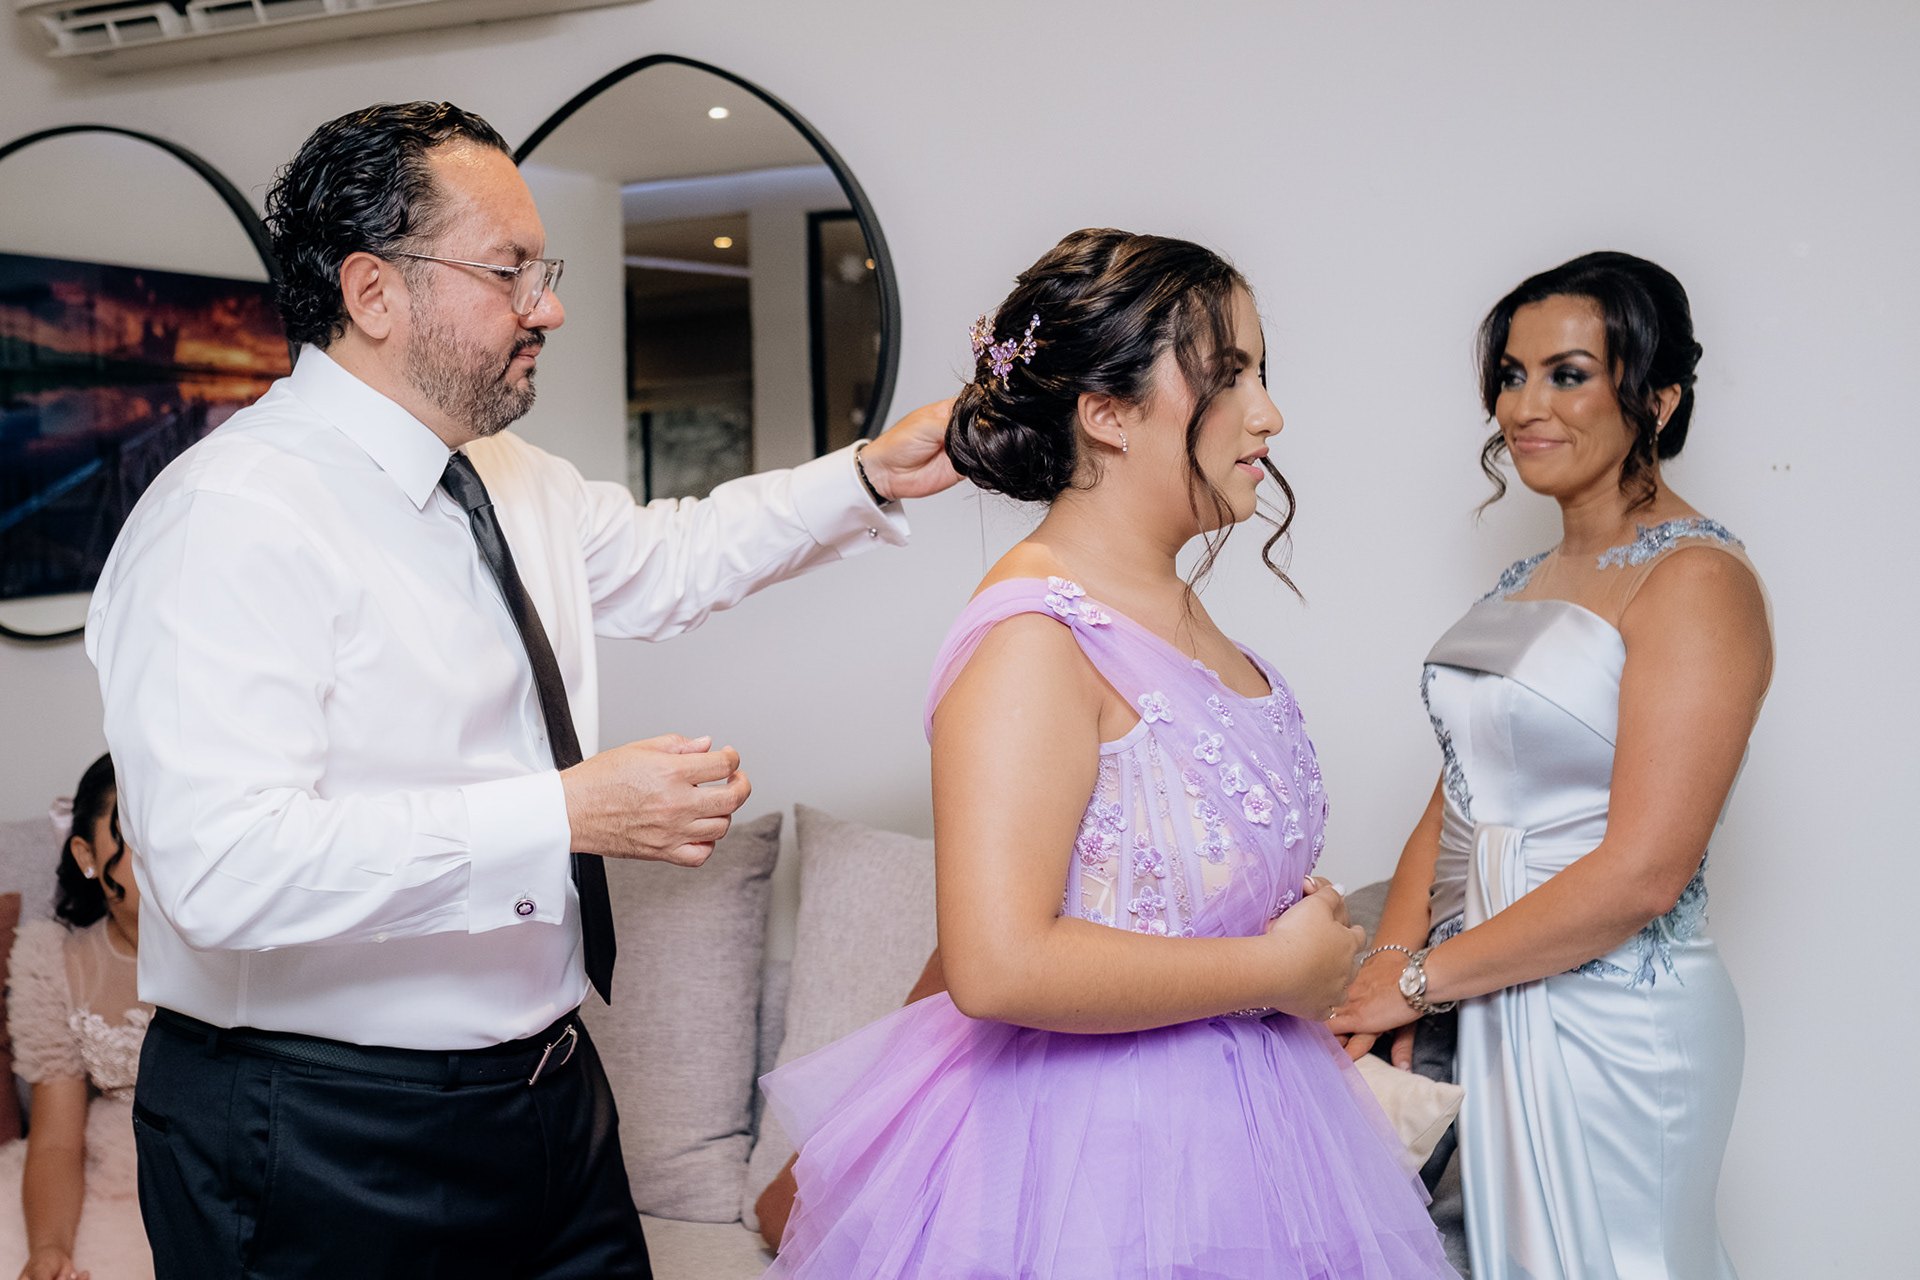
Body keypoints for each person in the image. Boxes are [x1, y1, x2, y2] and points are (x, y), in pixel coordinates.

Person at [84, 101, 956, 1279]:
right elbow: (221, 870)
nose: (548, 307)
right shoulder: (228, 518)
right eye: (510, 272)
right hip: (316, 1129)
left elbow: (673, 556)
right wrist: (563, 812)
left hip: (548, 1095)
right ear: (374, 292)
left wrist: (868, 475)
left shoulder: (506, 475)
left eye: (543, 271)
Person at [761, 229, 1456, 1278]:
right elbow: (996, 963)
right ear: (1108, 413)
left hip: (1259, 1125)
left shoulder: (1185, 617)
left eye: (1264, 373)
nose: (1269, 414)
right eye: (1230, 375)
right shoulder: (1034, 639)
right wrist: (1277, 967)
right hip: (1094, 1155)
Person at [1329, 251, 1770, 1279]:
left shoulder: (1697, 581)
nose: (1525, 405)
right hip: (1483, 993)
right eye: (1512, 374)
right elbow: (1454, 803)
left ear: (1657, 396)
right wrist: (1382, 967)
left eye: (1568, 374)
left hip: (1615, 1023)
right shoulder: (1521, 583)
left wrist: (1420, 982)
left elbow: (1646, 871)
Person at [0, 754, 153, 1280]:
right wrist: (49, 1249)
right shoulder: (59, 964)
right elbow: (58, 1141)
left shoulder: (245, 953)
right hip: (112, 1182)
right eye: (136, 831)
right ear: (87, 855)